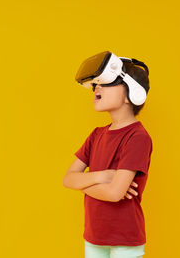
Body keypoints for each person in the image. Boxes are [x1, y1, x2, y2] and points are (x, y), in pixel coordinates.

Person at [63, 60, 153, 258]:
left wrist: (83, 183)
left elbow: (114, 193)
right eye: (96, 84)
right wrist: (105, 175)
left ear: (131, 94)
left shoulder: (137, 137)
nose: (97, 87)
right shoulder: (96, 135)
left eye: (106, 83)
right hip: (94, 235)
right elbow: (68, 179)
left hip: (125, 240)